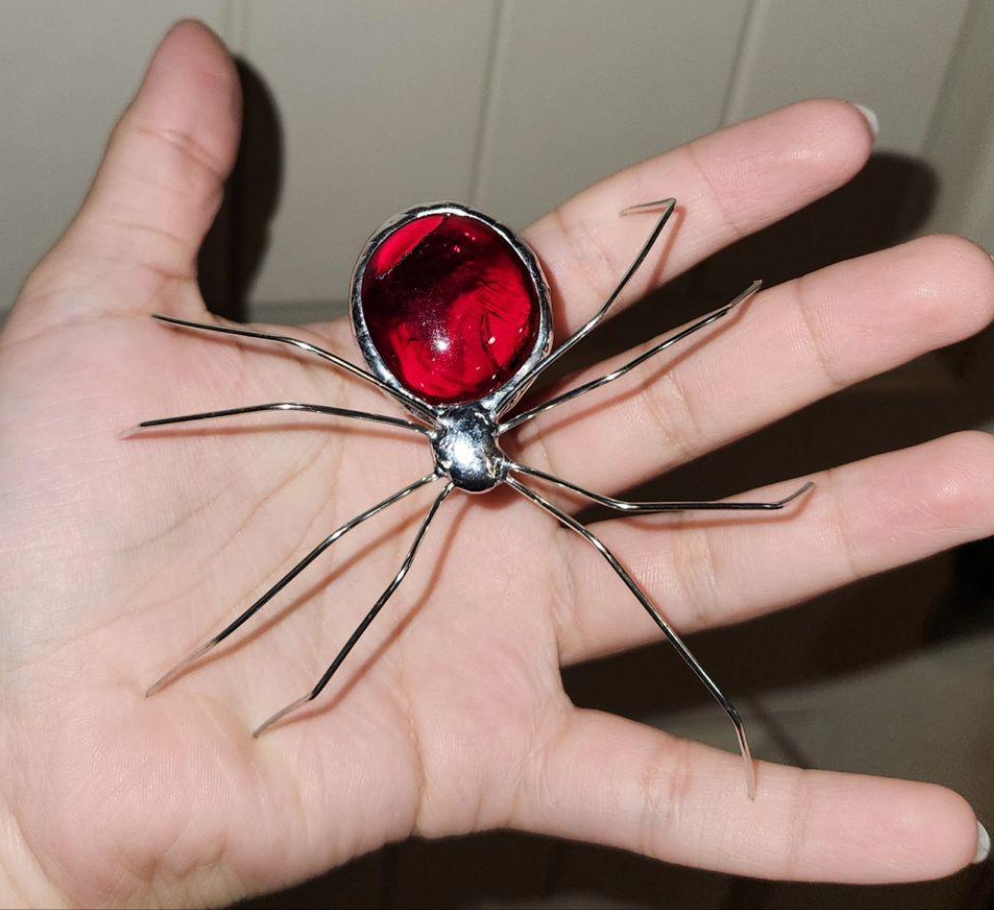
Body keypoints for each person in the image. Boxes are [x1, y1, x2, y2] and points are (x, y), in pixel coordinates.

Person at [0, 20, 990, 909]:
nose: (483, 488)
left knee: (599, 506)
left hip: (473, 383)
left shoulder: (500, 449)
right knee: (362, 539)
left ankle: (745, 456)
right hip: (429, 385)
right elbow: (306, 397)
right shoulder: (423, 450)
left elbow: (606, 365)